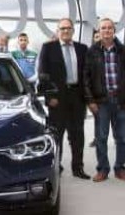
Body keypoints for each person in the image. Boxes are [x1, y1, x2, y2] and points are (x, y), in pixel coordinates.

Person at [84, 18, 125, 182]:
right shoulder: (91, 52)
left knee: (121, 137)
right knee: (101, 137)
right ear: (98, 31)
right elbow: (85, 79)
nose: (106, 31)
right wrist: (90, 100)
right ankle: (103, 169)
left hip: (121, 101)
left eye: (109, 28)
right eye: (103, 28)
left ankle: (120, 169)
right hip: (101, 102)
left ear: (114, 31)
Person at [38, 18, 90, 179]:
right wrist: (49, 97)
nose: (66, 31)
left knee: (77, 135)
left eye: (68, 28)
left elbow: (86, 75)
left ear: (73, 30)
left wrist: (87, 98)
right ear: (58, 31)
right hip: (57, 98)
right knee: (57, 135)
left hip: (77, 97)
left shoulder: (82, 49)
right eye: (62, 28)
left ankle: (78, 168)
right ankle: (56, 167)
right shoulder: (48, 48)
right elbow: (43, 75)